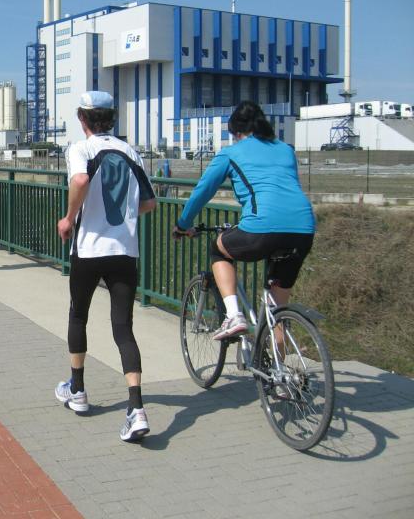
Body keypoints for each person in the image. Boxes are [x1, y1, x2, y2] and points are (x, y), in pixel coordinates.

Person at [55, 91, 157, 443]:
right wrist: (124, 218)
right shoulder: (130, 152)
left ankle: (78, 389)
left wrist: (69, 218)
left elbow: (80, 181)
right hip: (124, 250)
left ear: (82, 118)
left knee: (78, 315)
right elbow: (149, 203)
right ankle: (136, 408)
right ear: (111, 118)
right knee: (123, 328)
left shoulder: (81, 149)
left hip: (88, 249)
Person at [172, 101, 315, 340]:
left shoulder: (231, 153)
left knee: (218, 249)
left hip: (261, 227)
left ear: (237, 132)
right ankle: (277, 362)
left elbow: (202, 191)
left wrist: (182, 225)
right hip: (303, 229)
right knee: (277, 308)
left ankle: (233, 316)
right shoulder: (285, 149)